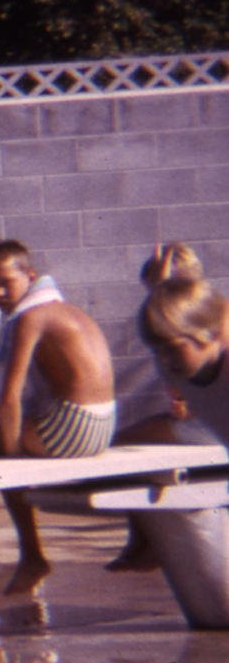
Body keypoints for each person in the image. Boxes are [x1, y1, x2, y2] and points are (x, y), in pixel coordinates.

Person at [0, 240, 117, 596]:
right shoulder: (63, 308)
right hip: (103, 425)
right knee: (1, 445)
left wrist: (12, 453)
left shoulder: (29, 318)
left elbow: (9, 397)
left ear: (30, 276)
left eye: (7, 283)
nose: (0, 293)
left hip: (72, 427)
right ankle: (23, 556)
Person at [109, 244, 204, 575]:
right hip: (204, 421)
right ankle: (141, 541)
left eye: (155, 289)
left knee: (119, 444)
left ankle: (145, 542)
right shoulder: (204, 310)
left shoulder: (183, 315)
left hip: (208, 428)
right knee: (134, 442)